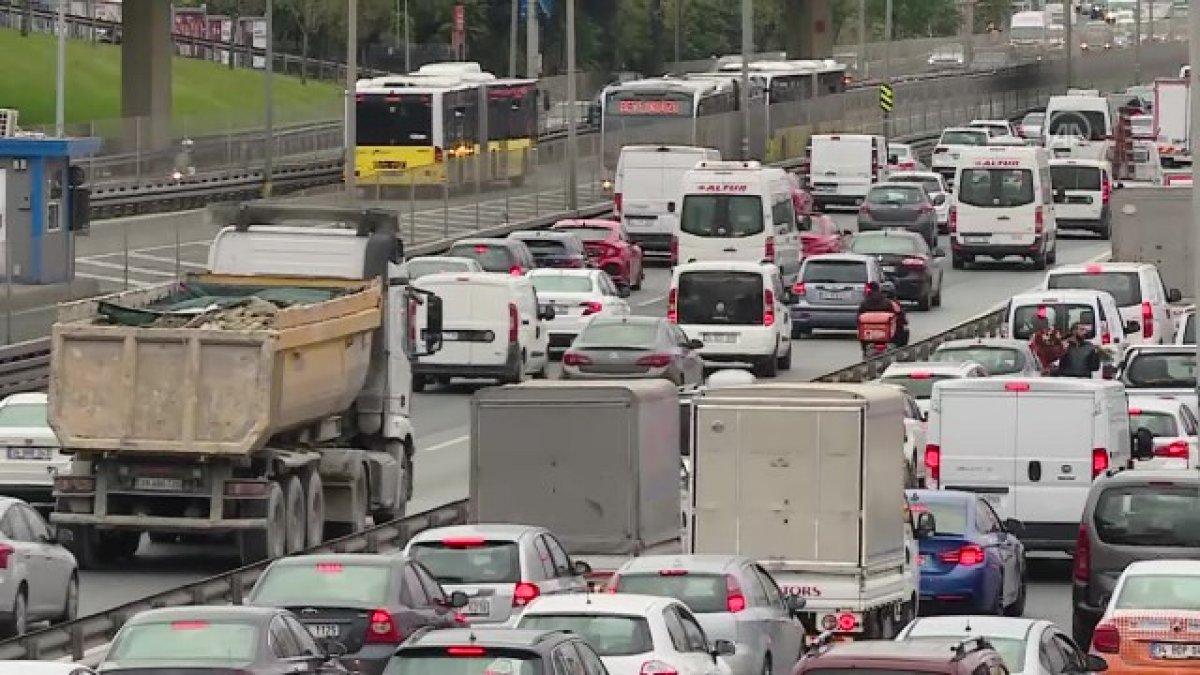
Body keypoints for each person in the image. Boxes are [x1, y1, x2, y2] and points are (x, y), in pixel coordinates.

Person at [858, 281, 908, 346]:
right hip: (889, 338)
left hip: (868, 339)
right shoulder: (890, 303)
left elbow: (858, 318)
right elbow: (900, 317)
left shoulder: (864, 304)